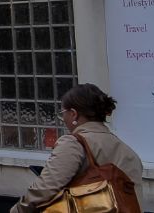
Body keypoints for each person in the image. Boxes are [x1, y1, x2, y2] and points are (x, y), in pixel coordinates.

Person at [12, 83, 143, 213]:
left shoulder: (73, 144)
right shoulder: (129, 153)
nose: (62, 118)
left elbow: (45, 189)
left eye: (62, 113)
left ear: (74, 114)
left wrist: (18, 210)